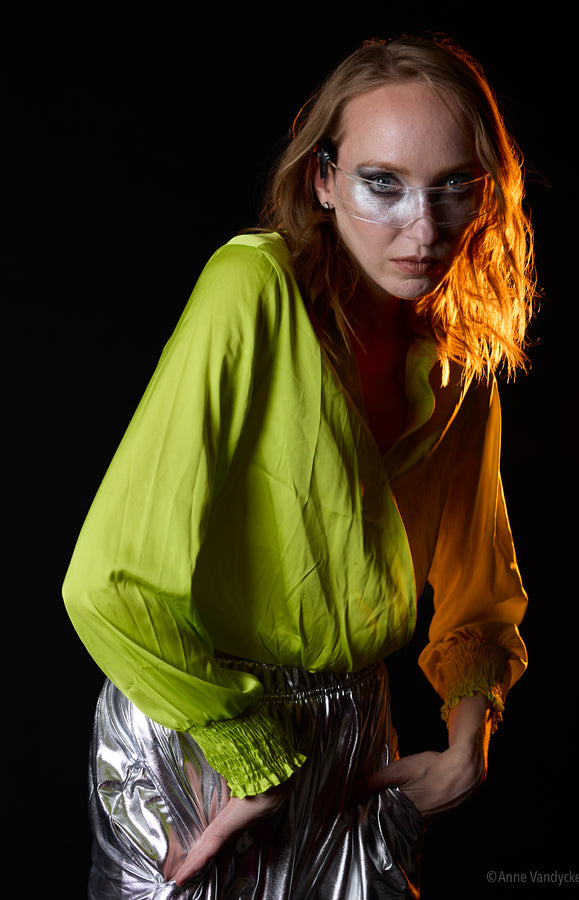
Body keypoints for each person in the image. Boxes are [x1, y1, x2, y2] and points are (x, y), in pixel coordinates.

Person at [63, 34, 536, 899]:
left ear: (489, 193)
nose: (421, 229)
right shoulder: (252, 287)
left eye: (454, 187)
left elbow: (479, 589)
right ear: (323, 179)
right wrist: (248, 757)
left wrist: (470, 737)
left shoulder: (457, 358)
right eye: (382, 184)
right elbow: (107, 583)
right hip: (200, 726)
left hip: (356, 739)